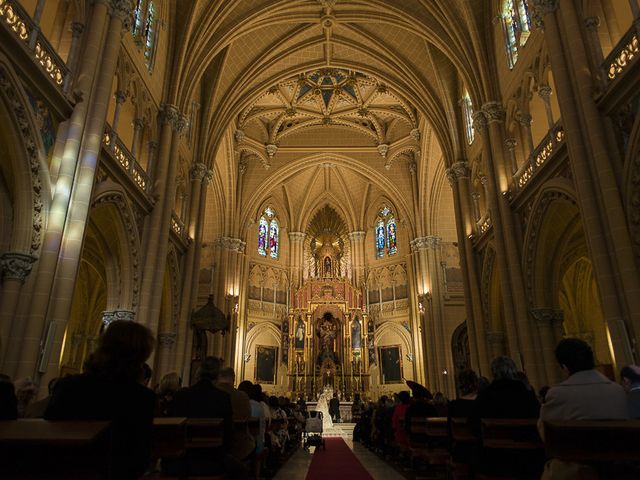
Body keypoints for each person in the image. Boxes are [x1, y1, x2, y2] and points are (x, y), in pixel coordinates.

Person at [45, 320, 156, 479]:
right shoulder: (142, 398)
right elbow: (140, 457)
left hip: (62, 471)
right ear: (140, 357)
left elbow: (49, 436)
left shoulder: (67, 387)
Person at [539, 338, 629, 480]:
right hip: (617, 469)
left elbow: (547, 435)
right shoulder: (618, 390)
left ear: (564, 367)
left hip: (575, 471)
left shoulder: (558, 394)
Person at [169, 356, 241, 478]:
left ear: (198, 373)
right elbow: (228, 432)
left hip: (181, 460)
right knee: (241, 471)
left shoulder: (180, 395)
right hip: (213, 460)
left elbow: (171, 429)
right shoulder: (223, 398)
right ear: (217, 375)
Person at [470, 356, 541, 478]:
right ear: (513, 371)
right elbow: (539, 423)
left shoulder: (485, 396)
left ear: (493, 373)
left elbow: (473, 426)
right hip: (527, 460)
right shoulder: (527, 395)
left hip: (493, 460)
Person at [217, 367, 254, 462]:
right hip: (238, 447)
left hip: (209, 445)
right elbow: (247, 417)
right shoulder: (242, 396)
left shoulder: (209, 394)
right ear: (233, 379)